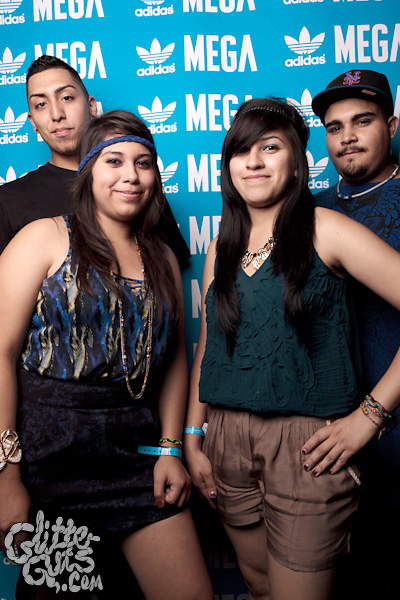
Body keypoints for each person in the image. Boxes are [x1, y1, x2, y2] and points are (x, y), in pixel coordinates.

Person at [184, 97, 400, 600]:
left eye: (270, 148)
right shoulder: (221, 246)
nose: (254, 162)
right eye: (242, 151)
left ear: (297, 162)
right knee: (258, 586)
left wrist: (370, 415)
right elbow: (210, 344)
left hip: (307, 447)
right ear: (227, 166)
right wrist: (193, 435)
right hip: (226, 440)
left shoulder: (328, 229)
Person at [0, 110, 213, 600]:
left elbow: (174, 360)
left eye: (143, 163)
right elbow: (1, 352)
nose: (130, 175)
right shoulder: (44, 237)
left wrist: (170, 448)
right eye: (114, 160)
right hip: (51, 459)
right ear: (88, 171)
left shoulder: (161, 255)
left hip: (137, 455)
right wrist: (7, 475)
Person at [312, 70, 400, 599]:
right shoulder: (307, 212)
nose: (346, 136)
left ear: (392, 125)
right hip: (332, 448)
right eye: (334, 126)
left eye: (362, 121)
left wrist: (371, 415)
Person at [0, 55, 190, 268]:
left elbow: (167, 274)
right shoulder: (8, 201)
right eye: (41, 104)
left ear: (91, 107)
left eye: (66, 98)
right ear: (32, 121)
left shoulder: (134, 187)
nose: (56, 114)